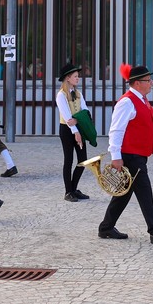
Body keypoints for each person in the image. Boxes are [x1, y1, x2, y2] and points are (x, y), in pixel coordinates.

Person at [98, 64, 153, 244]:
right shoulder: (127, 102)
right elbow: (116, 130)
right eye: (148, 80)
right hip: (131, 156)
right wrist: (115, 156)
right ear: (136, 83)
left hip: (137, 155)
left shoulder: (141, 99)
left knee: (123, 193)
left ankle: (106, 227)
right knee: (144, 191)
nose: (151, 83)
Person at [56, 63, 91, 202]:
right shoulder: (61, 95)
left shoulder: (78, 94)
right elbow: (66, 117)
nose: (78, 78)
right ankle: (68, 191)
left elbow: (85, 112)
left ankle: (74, 188)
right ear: (68, 78)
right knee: (69, 160)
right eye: (75, 76)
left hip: (78, 128)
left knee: (83, 160)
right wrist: (75, 130)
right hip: (66, 130)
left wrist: (77, 121)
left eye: (78, 76)